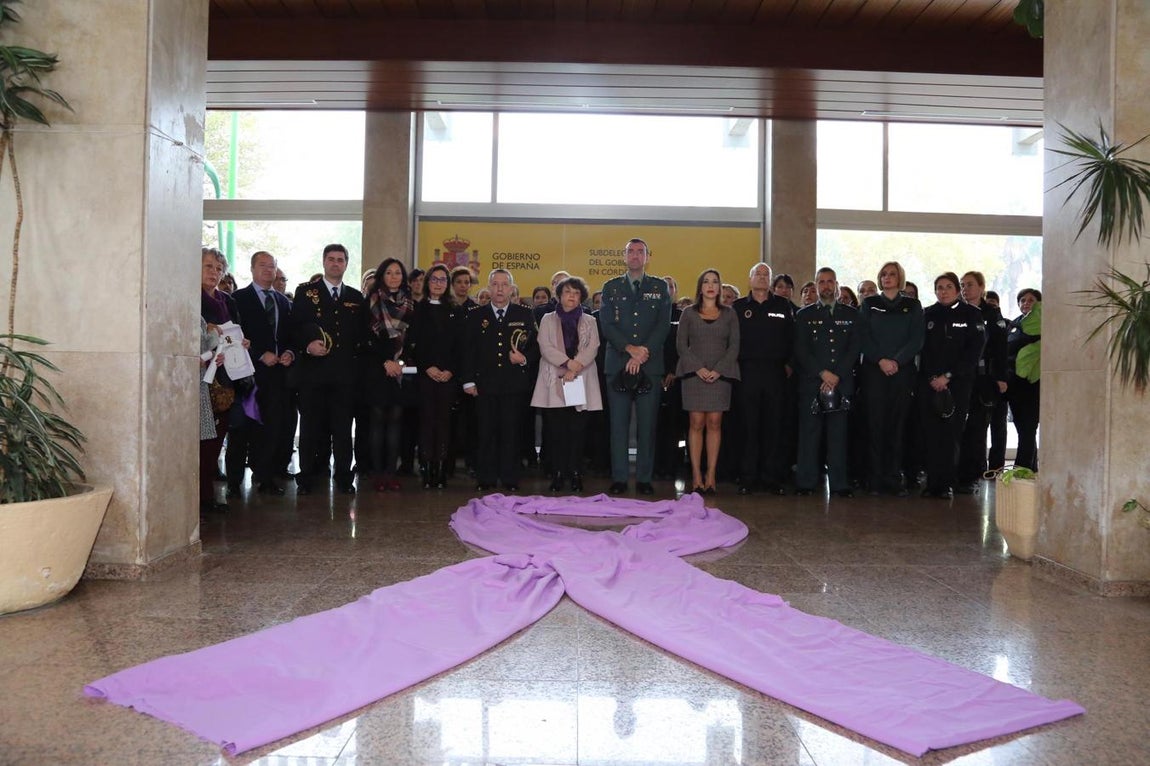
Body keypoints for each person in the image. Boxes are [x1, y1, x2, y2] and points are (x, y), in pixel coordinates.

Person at [290, 244, 371, 495]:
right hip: (313, 374)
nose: (336, 264)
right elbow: (295, 327)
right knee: (311, 428)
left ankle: (344, 477)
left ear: (346, 264)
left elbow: (361, 335)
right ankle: (306, 477)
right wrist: (307, 345)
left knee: (343, 430)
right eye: (331, 259)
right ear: (324, 263)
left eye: (340, 260)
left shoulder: (355, 297)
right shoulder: (306, 292)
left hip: (344, 376)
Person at [599, 237, 672, 496]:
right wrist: (630, 350)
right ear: (624, 256)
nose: (635, 256)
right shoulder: (610, 287)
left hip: (649, 366)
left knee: (647, 425)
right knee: (618, 425)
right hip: (618, 363)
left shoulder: (660, 287)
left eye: (640, 252)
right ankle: (619, 477)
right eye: (631, 251)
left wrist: (642, 354)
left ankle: (644, 478)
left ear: (647, 257)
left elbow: (663, 325)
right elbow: (606, 324)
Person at [226, 251, 296, 496]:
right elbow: (233, 337)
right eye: (263, 266)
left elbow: (290, 336)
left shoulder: (284, 302)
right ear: (252, 269)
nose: (268, 270)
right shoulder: (237, 299)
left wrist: (288, 352)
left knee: (271, 427)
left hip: (276, 375)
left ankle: (265, 477)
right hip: (247, 375)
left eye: (272, 266)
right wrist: (258, 353)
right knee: (241, 429)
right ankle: (234, 482)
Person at [462, 269, 538, 492]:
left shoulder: (524, 314)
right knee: (486, 432)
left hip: (514, 384)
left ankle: (509, 477)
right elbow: (468, 351)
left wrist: (524, 359)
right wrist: (468, 381)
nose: (500, 289)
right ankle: (485, 477)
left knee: (511, 432)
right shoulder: (476, 315)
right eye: (495, 284)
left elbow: (535, 347)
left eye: (504, 285)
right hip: (485, 384)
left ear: (512, 288)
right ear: (488, 287)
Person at [793, 267, 861, 498]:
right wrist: (822, 373)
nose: (825, 286)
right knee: (809, 435)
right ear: (815, 286)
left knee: (838, 436)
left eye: (829, 281)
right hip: (813, 383)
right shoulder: (804, 315)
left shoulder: (851, 314)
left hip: (841, 383)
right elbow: (801, 350)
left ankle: (840, 484)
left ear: (836, 284)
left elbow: (854, 349)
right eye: (821, 282)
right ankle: (806, 482)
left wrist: (836, 375)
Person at [857, 261, 923, 496]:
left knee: (897, 426)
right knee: (875, 425)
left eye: (892, 274)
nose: (887, 278)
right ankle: (874, 478)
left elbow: (916, 339)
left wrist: (897, 361)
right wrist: (881, 360)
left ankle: (893, 478)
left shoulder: (912, 305)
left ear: (900, 278)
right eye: (883, 274)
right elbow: (862, 336)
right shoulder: (870, 304)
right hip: (874, 373)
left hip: (902, 374)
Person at [918, 272, 986, 499]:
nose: (943, 291)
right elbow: (922, 351)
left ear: (957, 291)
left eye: (948, 287)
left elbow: (973, 352)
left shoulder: (972, 315)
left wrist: (948, 376)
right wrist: (931, 378)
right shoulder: (927, 314)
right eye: (939, 287)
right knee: (931, 434)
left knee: (951, 435)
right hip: (930, 384)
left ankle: (947, 483)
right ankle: (932, 483)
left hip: (957, 384)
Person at [532, 276, 602, 493]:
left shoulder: (590, 320)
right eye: (567, 292)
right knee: (556, 431)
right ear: (559, 296)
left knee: (577, 431)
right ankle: (558, 473)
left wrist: (575, 366)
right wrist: (567, 363)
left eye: (576, 293)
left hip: (581, 379)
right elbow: (545, 346)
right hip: (555, 379)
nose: (571, 297)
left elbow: (593, 347)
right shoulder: (547, 319)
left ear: (581, 297)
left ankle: (575, 473)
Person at [675, 269, 740, 494]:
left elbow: (734, 346)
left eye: (715, 282)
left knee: (714, 422)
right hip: (695, 375)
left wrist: (718, 370)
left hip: (720, 375)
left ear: (720, 287)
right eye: (706, 282)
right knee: (696, 423)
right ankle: (695, 475)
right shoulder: (688, 313)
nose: (711, 286)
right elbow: (681, 345)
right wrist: (699, 368)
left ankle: (711, 475)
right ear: (700, 287)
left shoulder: (730, 314)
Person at [733, 262, 795, 495]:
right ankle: (748, 477)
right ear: (749, 279)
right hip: (746, 373)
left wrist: (789, 364)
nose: (761, 277)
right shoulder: (738, 307)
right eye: (757, 274)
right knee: (748, 427)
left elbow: (793, 339)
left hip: (775, 374)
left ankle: (771, 478)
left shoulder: (783, 305)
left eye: (765, 274)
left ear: (770, 280)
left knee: (774, 427)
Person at [406, 263, 460, 489]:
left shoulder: (456, 310)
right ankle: (427, 467)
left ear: (447, 285)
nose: (438, 284)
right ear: (427, 283)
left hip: (449, 376)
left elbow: (461, 345)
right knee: (427, 422)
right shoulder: (418, 310)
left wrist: (450, 369)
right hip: (425, 375)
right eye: (434, 279)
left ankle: (441, 467)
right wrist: (427, 366)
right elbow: (412, 344)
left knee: (445, 422)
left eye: (442, 280)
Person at [955, 271, 1009, 494]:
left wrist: (1001, 377)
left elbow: (1001, 349)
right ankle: (955, 473)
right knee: (958, 427)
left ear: (981, 287)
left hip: (984, 379)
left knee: (978, 429)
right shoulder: (957, 311)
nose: (965, 289)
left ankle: (971, 475)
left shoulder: (991, 313)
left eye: (969, 285)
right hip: (959, 377)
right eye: (962, 285)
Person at [365, 257, 415, 492]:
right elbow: (364, 340)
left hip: (401, 371)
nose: (394, 277)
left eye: (398, 273)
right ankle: (377, 474)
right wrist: (384, 361)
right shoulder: (371, 301)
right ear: (382, 276)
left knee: (396, 423)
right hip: (376, 370)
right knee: (377, 423)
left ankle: (391, 473)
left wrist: (400, 362)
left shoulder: (411, 303)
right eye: (389, 273)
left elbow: (415, 340)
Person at [200, 247, 242, 510]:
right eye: (207, 267)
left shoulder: (229, 301)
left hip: (227, 377)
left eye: (218, 268)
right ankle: (201, 498)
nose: (214, 273)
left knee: (216, 440)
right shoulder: (190, 298)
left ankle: (209, 495)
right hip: (202, 378)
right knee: (202, 442)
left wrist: (241, 342)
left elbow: (234, 332)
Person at [1006, 288, 1042, 471]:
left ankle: (1021, 469)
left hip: (1032, 383)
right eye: (1022, 300)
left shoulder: (1043, 324)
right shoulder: (1014, 324)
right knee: (1022, 428)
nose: (1026, 303)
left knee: (1028, 428)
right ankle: (1031, 468)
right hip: (1014, 384)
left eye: (1031, 300)